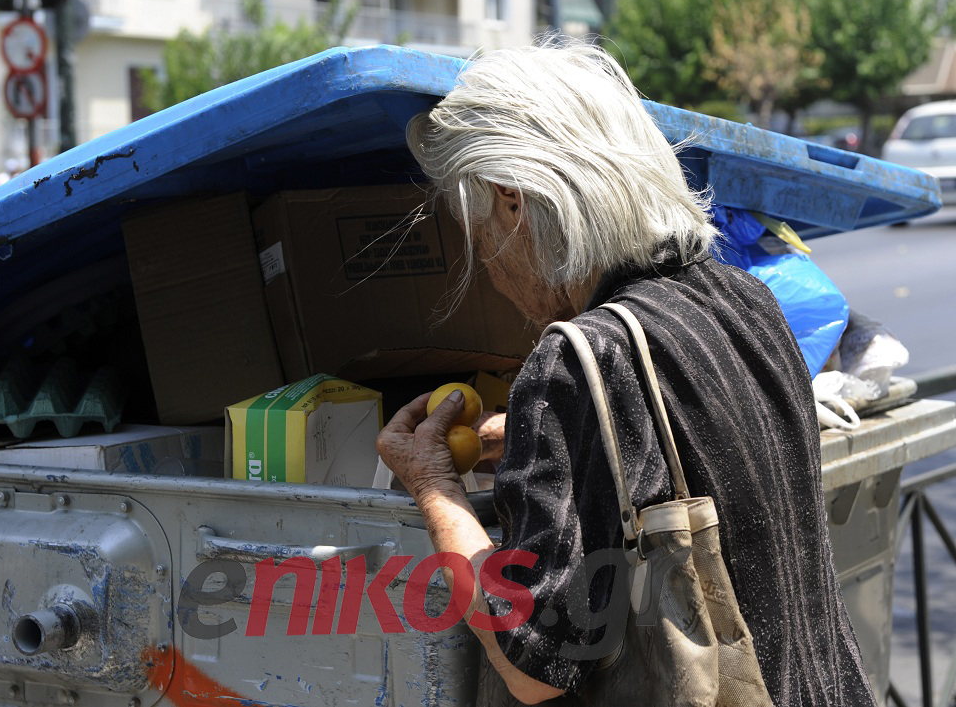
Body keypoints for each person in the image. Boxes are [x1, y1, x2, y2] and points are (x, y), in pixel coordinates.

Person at [375, 42, 877, 706]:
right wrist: (541, 440)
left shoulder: (577, 359)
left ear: (511, 201)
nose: (490, 273)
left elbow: (532, 664)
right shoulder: (749, 302)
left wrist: (432, 483)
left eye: (476, 235)